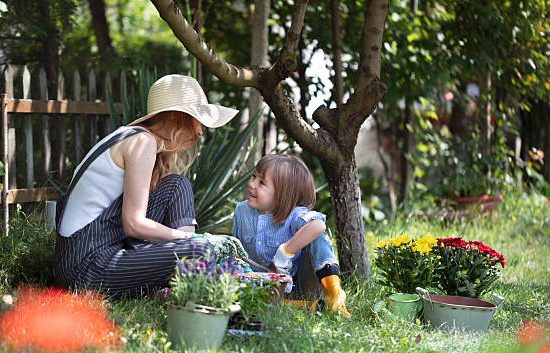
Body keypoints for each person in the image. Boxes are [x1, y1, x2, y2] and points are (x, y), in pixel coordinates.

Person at [53, 74, 238, 298]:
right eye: (197, 119)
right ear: (175, 116)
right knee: (201, 250)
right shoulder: (142, 142)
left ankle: (183, 279)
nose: (200, 131)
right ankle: (186, 274)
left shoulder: (133, 137)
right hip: (85, 268)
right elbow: (134, 224)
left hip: (98, 250)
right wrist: (192, 240)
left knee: (176, 185)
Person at [232, 154, 351, 317]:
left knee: (317, 236)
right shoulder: (242, 211)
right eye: (254, 176)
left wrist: (285, 251)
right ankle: (307, 307)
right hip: (258, 287)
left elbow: (318, 225)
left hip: (298, 285)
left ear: (282, 194)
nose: (251, 184)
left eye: (261, 182)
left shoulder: (294, 215)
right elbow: (238, 253)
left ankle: (334, 297)